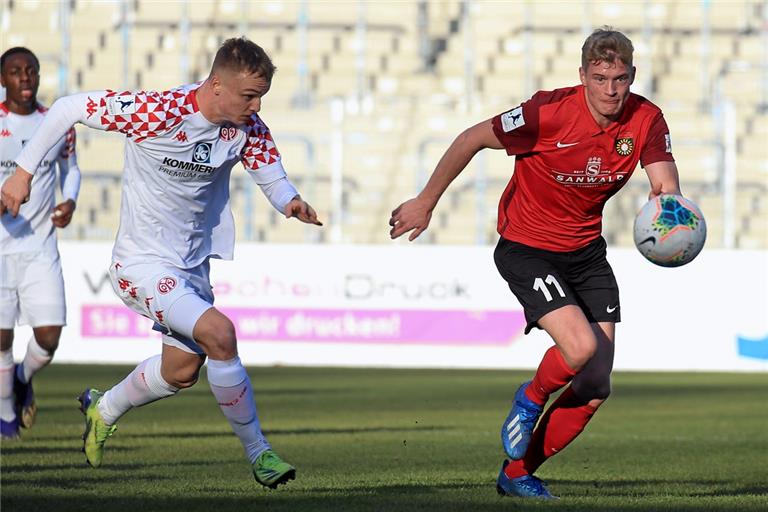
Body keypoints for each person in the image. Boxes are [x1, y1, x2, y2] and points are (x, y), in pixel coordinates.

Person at [0, 37, 321, 488]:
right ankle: (260, 453)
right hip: (140, 264)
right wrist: (23, 172)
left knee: (180, 372)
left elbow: (271, 173)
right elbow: (69, 107)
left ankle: (104, 407)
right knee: (220, 335)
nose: (256, 104)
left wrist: (291, 203)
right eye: (249, 95)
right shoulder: (158, 111)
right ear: (215, 86)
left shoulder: (247, 127)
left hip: (191, 267)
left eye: (261, 95)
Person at [389, 27, 681, 499]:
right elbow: (470, 139)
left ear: (633, 76)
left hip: (586, 254)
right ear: (582, 75)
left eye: (620, 79)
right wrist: (426, 200)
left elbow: (666, 184)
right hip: (528, 247)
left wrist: (670, 212)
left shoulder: (646, 119)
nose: (610, 90)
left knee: (594, 384)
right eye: (601, 78)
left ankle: (517, 471)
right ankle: (530, 396)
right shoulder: (545, 113)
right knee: (580, 348)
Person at [0, 47, 81, 440]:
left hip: (40, 247)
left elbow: (72, 169)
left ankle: (21, 377)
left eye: (31, 70)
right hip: (0, 250)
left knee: (48, 337)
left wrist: (70, 199)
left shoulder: (57, 123)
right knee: (0, 338)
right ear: (3, 80)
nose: (25, 77)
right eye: (15, 71)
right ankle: (5, 414)